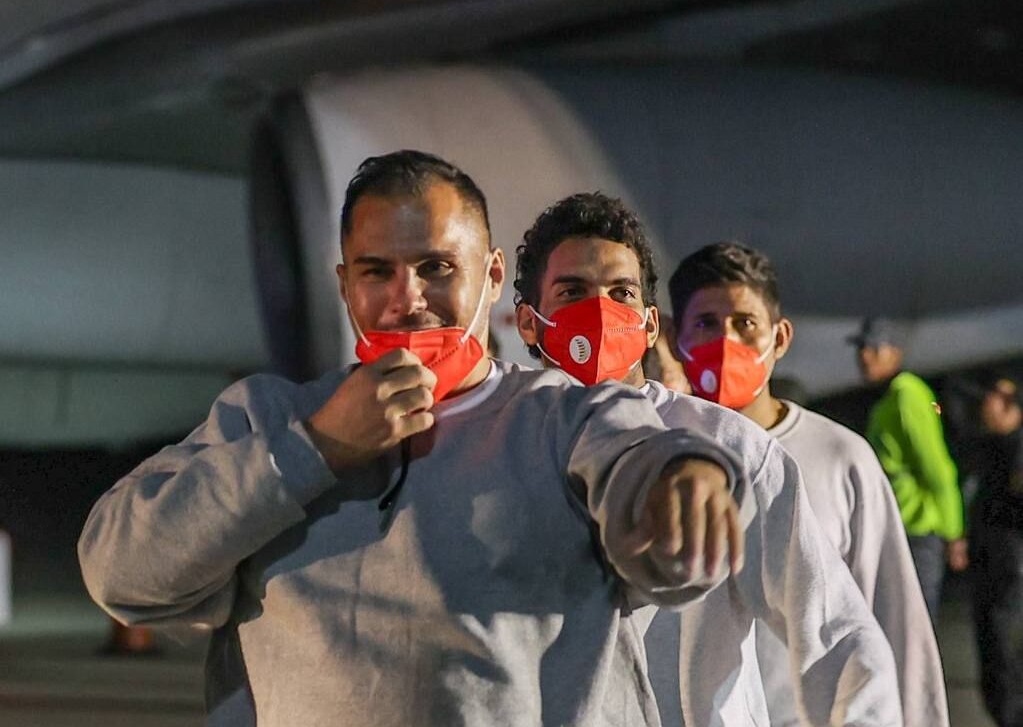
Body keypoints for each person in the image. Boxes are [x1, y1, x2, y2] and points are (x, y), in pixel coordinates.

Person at [77, 151, 750, 727]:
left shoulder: (565, 418)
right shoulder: (265, 416)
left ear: (490, 277)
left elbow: (643, 480)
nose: (408, 299)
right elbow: (123, 576)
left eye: (436, 268)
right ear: (344, 284)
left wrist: (687, 471)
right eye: (377, 272)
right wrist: (312, 450)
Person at [513, 193, 901, 727]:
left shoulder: (728, 446)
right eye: (573, 291)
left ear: (650, 325)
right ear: (528, 323)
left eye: (620, 292)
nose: (600, 311)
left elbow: (834, 632)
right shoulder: (497, 447)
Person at [669, 243, 947, 727]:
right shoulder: (655, 459)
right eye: (706, 323)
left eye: (745, 323)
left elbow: (893, 619)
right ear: (675, 338)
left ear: (780, 338)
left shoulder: (842, 458)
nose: (726, 340)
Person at [850, 316, 967, 623]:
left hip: (918, 528)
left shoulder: (908, 393)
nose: (864, 355)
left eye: (874, 348)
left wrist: (954, 533)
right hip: (899, 526)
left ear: (895, 353)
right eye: (862, 347)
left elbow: (936, 466)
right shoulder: (889, 398)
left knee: (913, 627)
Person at [961, 374, 1023, 727]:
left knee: (1006, 654)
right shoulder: (992, 447)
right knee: (994, 653)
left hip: (1011, 570)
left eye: (993, 400)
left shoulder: (1017, 449)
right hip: (992, 565)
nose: (985, 406)